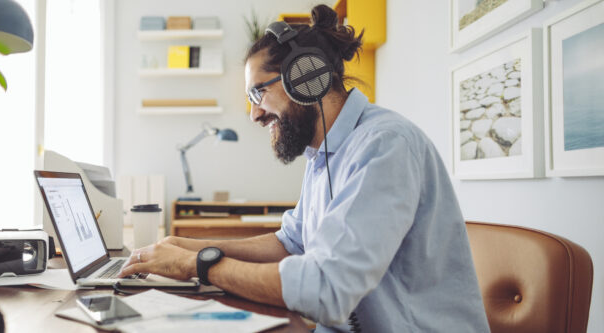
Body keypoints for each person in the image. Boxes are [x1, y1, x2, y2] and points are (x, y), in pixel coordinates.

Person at [119, 4, 490, 332]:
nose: (253, 114)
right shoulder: (323, 154)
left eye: (256, 94)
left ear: (304, 77)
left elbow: (325, 290)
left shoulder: (384, 146)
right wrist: (189, 246)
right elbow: (290, 244)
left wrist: (196, 264)